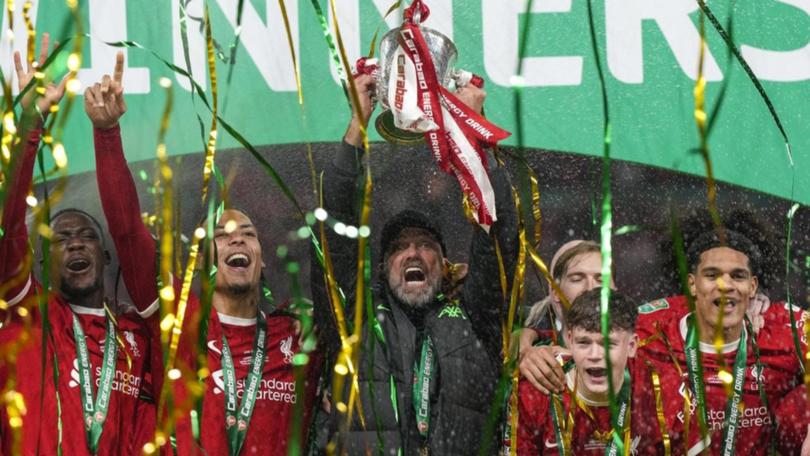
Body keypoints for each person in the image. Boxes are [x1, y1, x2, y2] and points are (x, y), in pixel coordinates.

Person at [87, 52, 321, 455]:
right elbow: (128, 233)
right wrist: (107, 134)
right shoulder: (178, 323)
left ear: (262, 259)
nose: (237, 240)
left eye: (248, 234)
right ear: (206, 258)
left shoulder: (296, 337)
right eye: (223, 235)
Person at [311, 73, 517, 455]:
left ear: (444, 262)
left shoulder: (475, 318)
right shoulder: (357, 322)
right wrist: (358, 125)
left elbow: (500, 240)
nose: (413, 253)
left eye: (425, 246)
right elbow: (333, 239)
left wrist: (476, 142)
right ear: (384, 269)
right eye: (399, 248)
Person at [0, 35, 157, 455]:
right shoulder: (29, 315)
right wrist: (31, 124)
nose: (74, 245)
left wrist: (107, 133)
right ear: (41, 261)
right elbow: (10, 225)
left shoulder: (137, 337)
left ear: (106, 256)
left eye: (87, 236)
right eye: (61, 240)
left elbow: (129, 231)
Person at [526, 229, 809, 454]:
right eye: (712, 276)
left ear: (753, 286)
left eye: (738, 276)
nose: (725, 286)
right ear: (692, 284)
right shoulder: (653, 325)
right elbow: (590, 336)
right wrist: (527, 344)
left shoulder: (788, 327)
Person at [518, 289, 674, 454]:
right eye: (584, 342)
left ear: (631, 346)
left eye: (608, 344)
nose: (595, 355)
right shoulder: (536, 390)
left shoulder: (663, 388)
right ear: (569, 341)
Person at [519, 240, 610, 394]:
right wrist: (522, 348)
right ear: (554, 291)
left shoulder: (644, 338)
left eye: (601, 279)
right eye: (576, 278)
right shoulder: (534, 345)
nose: (590, 288)